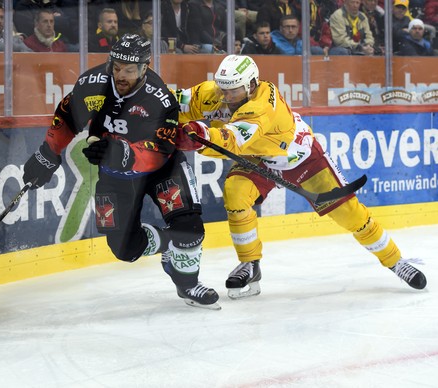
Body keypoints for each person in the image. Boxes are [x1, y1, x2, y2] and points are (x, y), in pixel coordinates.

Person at [174, 54, 427, 299]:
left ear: (251, 85)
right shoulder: (216, 92)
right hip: (258, 157)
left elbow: (233, 142)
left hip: (302, 159)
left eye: (233, 91)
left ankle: (396, 261)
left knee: (351, 215)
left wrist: (199, 136)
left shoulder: (261, 106)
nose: (226, 97)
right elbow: (173, 101)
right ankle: (250, 264)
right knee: (236, 193)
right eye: (222, 89)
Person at [21, 34, 220, 310]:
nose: (120, 75)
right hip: (114, 177)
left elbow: (160, 150)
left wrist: (121, 152)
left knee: (190, 228)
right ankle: (167, 245)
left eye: (128, 69)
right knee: (124, 249)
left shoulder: (159, 98)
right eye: (116, 67)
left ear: (144, 67)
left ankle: (188, 284)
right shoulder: (92, 85)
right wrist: (48, 153)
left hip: (162, 170)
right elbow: (68, 115)